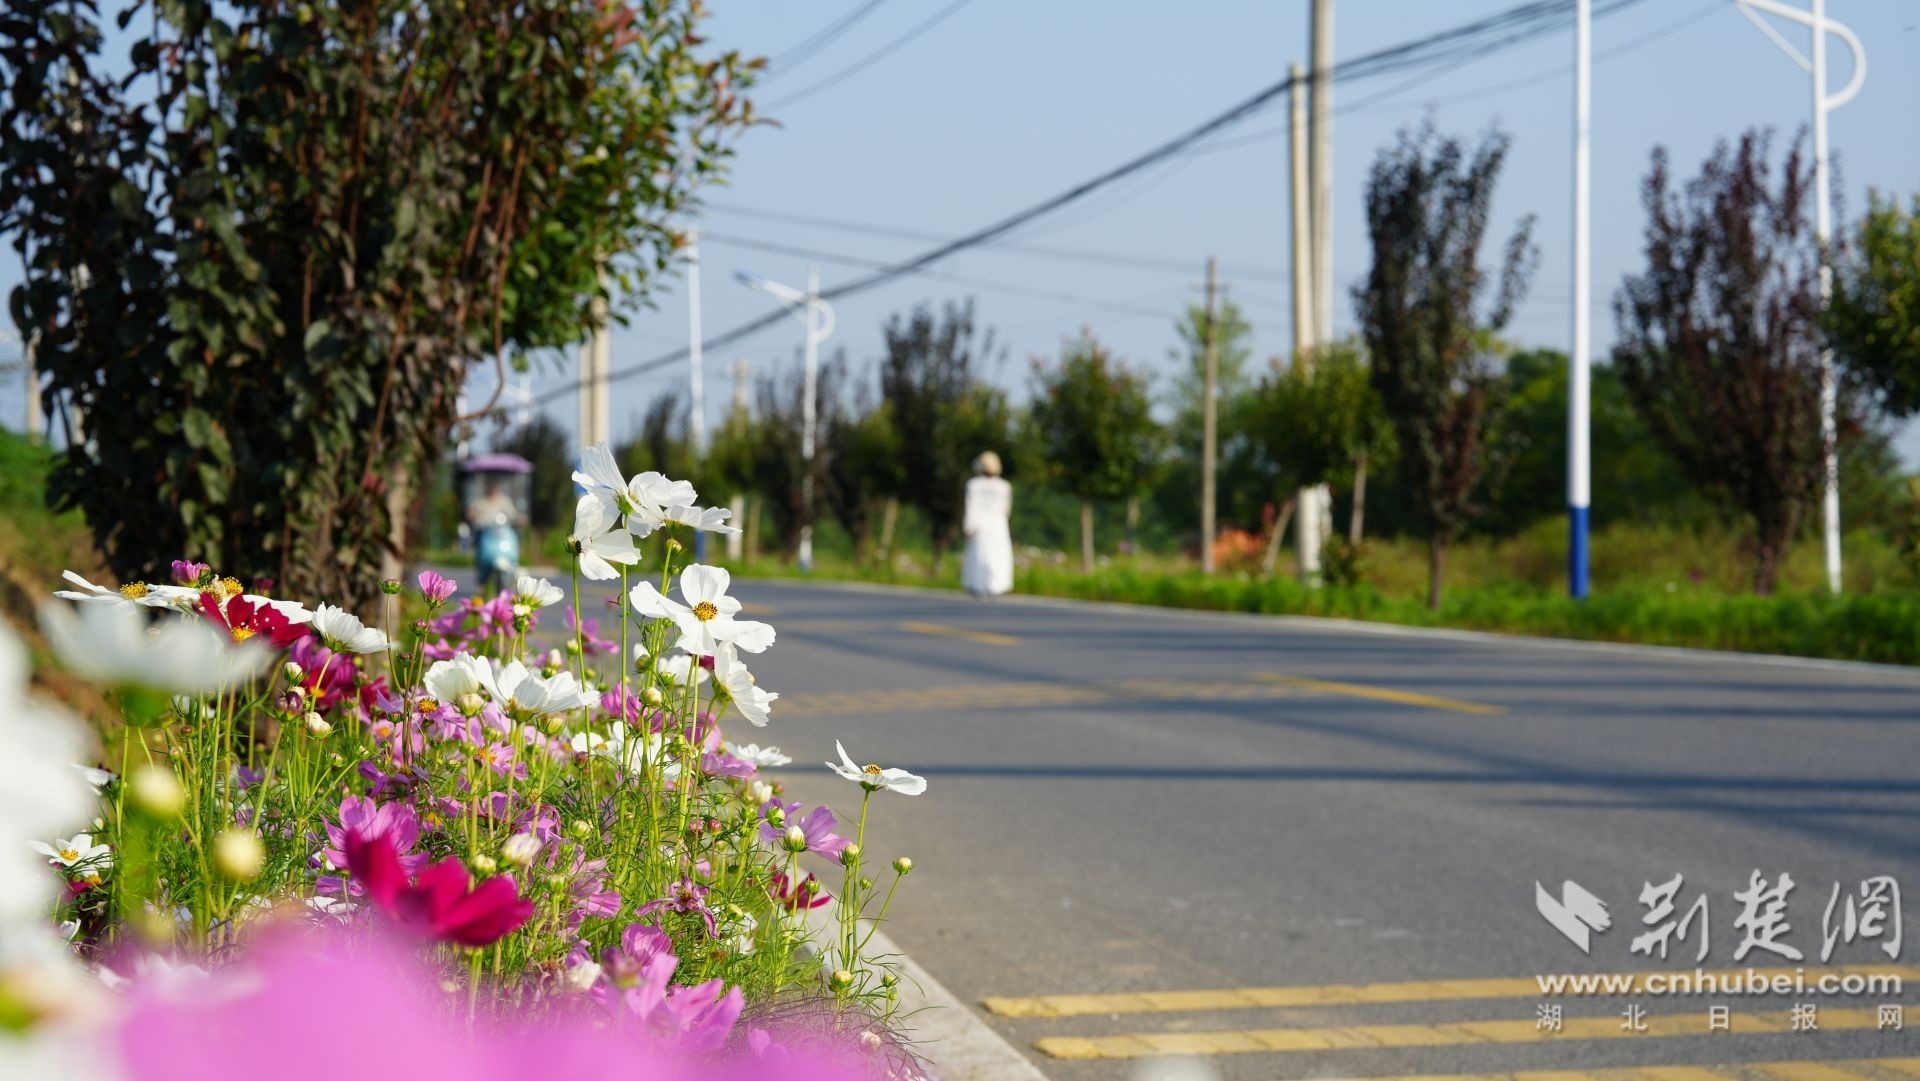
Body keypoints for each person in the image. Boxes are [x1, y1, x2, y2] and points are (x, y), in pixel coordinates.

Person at [961, 451, 1013, 597]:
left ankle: (978, 584)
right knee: (997, 555)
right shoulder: (1004, 486)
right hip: (998, 524)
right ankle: (995, 585)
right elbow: (1005, 509)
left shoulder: (974, 485)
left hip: (980, 524)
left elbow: (972, 507)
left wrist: (968, 526)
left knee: (979, 555)